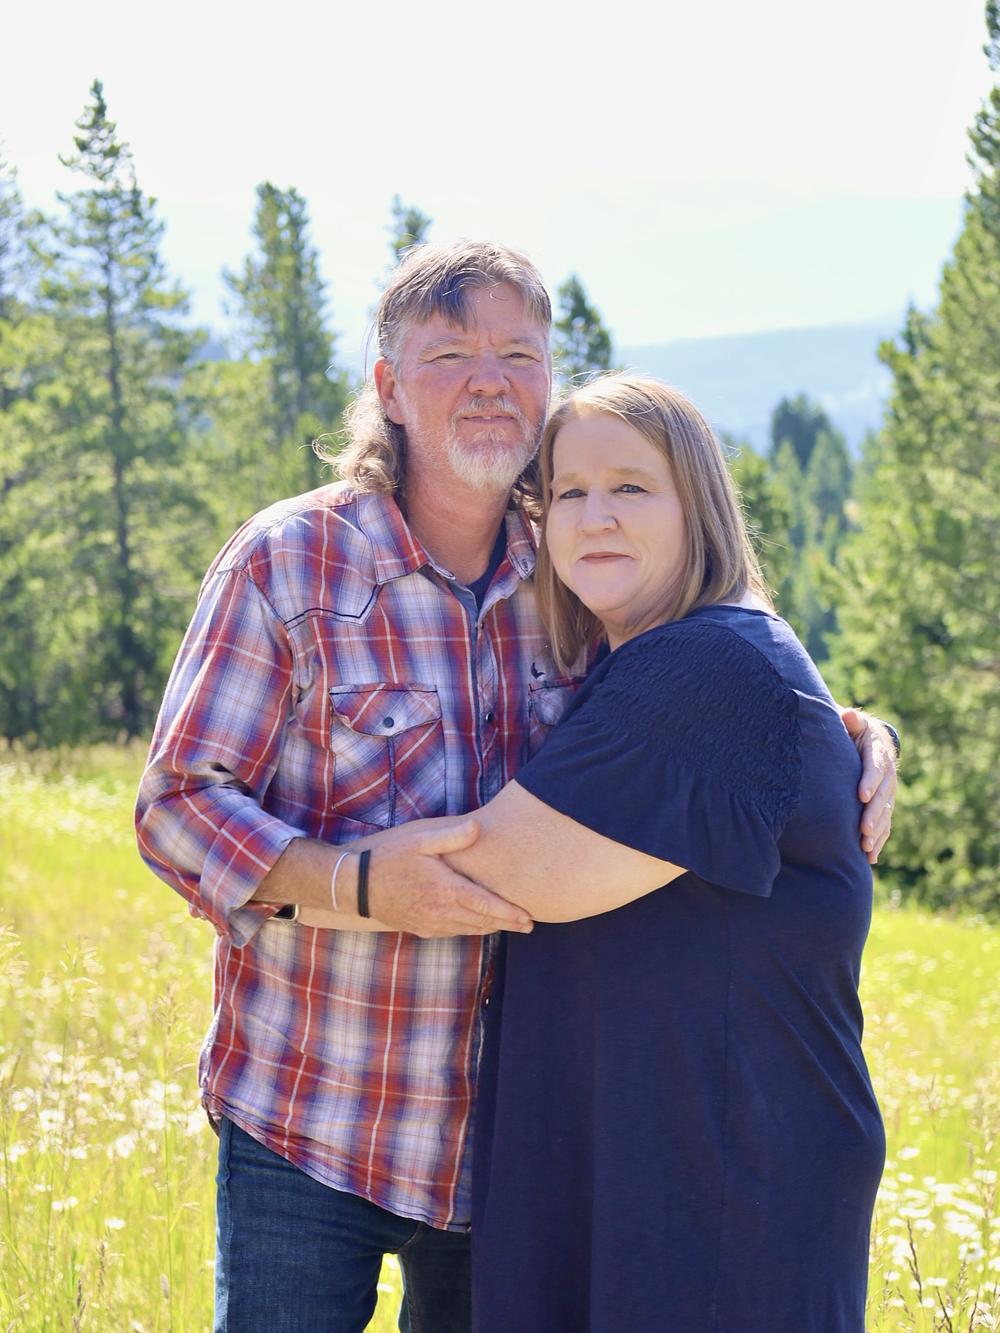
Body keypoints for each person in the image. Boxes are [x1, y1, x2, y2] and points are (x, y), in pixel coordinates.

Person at [135, 242, 896, 1333]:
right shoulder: (289, 561)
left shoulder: (574, 564)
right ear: (390, 387)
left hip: (519, 1147)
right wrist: (351, 884)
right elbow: (176, 807)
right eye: (450, 355)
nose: (489, 381)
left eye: (518, 354)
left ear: (547, 381)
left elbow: (700, 679)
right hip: (319, 1111)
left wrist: (840, 731)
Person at [305, 374, 886, 1331]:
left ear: (700, 507)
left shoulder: (703, 668)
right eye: (569, 491)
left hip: (723, 1185)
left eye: (631, 487)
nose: (595, 516)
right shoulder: (653, 664)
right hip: (671, 1165)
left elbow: (481, 870)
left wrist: (285, 875)